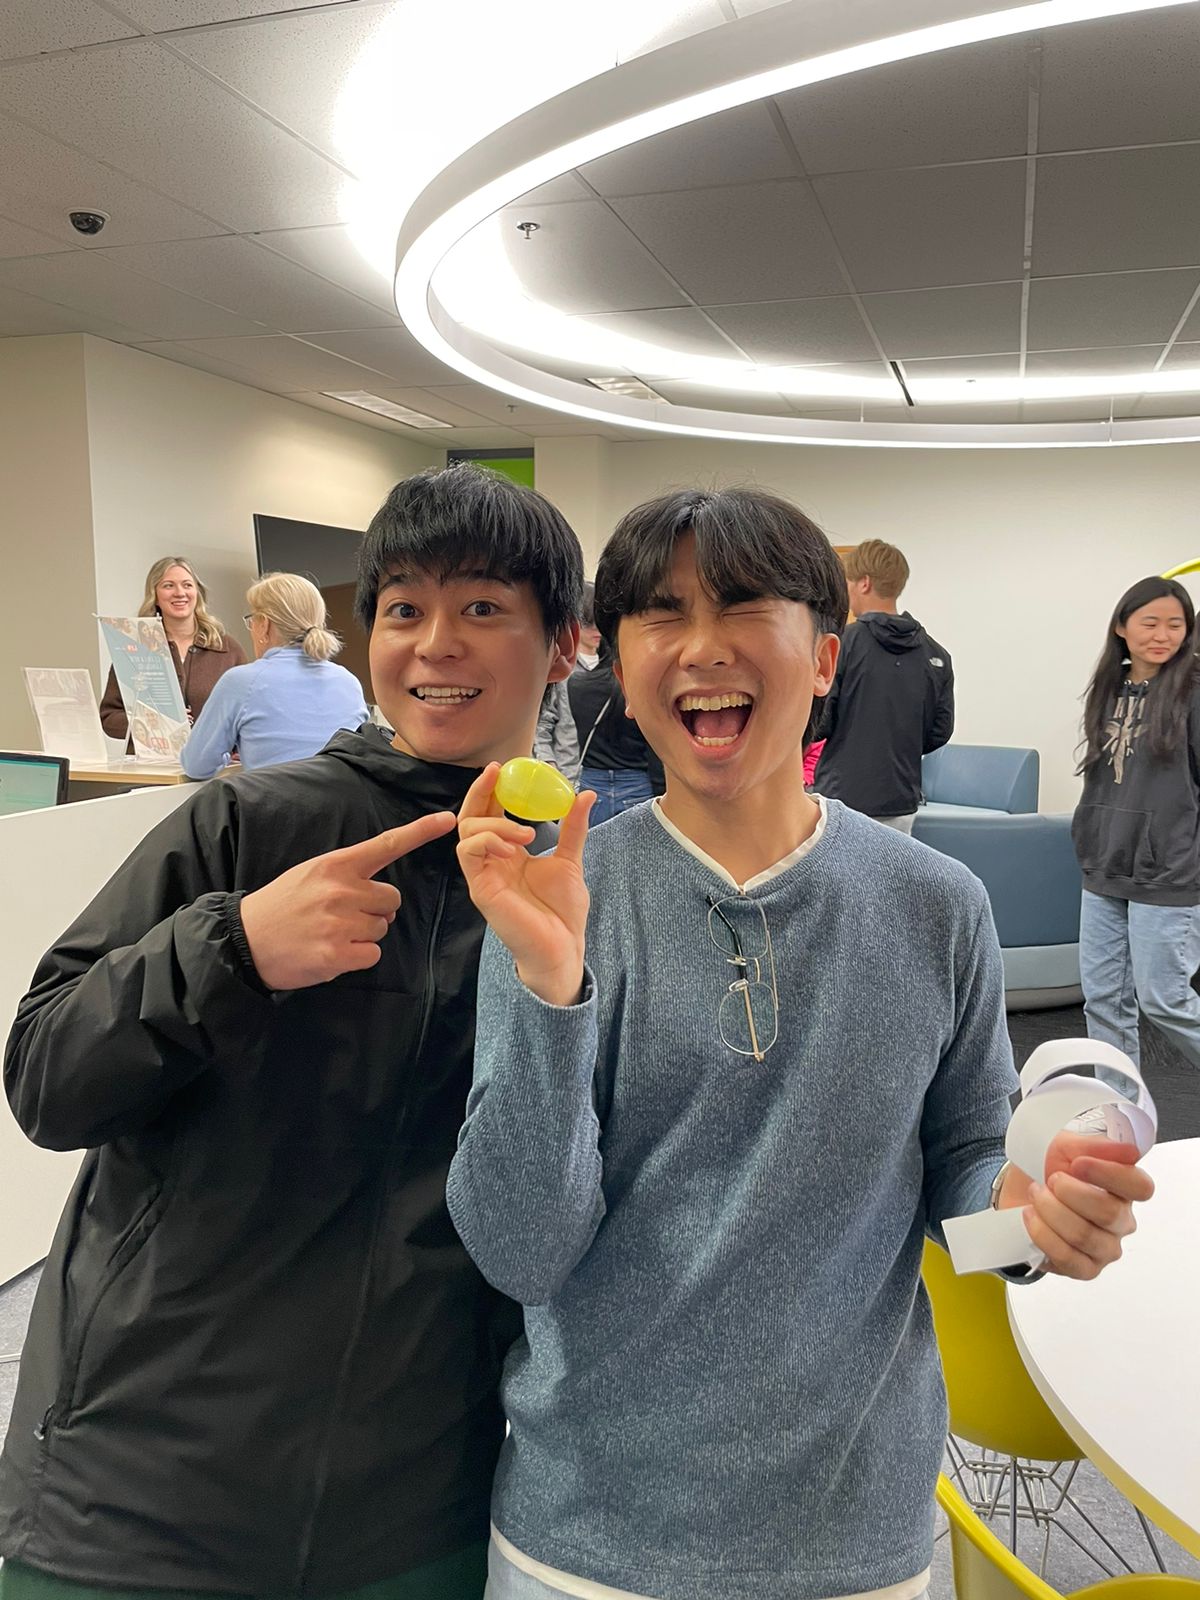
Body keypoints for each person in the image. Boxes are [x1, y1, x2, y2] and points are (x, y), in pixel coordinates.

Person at [446, 487, 1154, 1600]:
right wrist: (550, 988)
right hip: (584, 1540)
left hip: (853, 1539)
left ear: (825, 659)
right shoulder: (558, 899)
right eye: (662, 614)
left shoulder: (937, 904)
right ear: (619, 668)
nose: (701, 646)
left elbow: (967, 1171)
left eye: (741, 605)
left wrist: (1024, 1217)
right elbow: (521, 1253)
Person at [0, 465, 582, 1600]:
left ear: (562, 645)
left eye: (483, 607)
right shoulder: (250, 823)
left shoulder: (570, 883)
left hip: (416, 1503)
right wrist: (233, 948)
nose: (436, 644)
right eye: (404, 608)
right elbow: (46, 1076)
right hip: (141, 1484)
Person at [1073, 574, 1200, 1073]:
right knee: (1104, 1004)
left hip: (1168, 872)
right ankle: (1118, 1107)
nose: (1163, 635)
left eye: (1175, 624)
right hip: (1104, 866)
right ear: (1122, 627)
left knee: (1166, 1002)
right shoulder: (1108, 689)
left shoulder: (1193, 692)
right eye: (1150, 623)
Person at [814, 538, 953, 833]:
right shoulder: (936, 655)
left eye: (848, 583)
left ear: (864, 583)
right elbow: (939, 731)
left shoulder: (842, 645)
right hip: (901, 801)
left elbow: (821, 721)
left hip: (842, 798)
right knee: (892, 865)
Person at [180, 571, 369, 778]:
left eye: (252, 620)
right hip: (347, 798)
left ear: (264, 625)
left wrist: (233, 752)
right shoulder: (349, 682)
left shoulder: (241, 682)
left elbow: (196, 766)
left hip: (277, 799)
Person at [99, 556, 246, 739]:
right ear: (155, 596)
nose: (180, 593)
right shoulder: (135, 648)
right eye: (168, 586)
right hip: (150, 758)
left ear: (197, 593)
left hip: (212, 757)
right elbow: (109, 718)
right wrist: (153, 722)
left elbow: (248, 712)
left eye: (187, 585)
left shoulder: (228, 649)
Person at [534, 582, 603, 781]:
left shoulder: (613, 666)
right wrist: (551, 767)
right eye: (588, 623)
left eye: (599, 621)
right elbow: (542, 725)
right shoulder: (561, 670)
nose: (595, 630)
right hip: (568, 775)